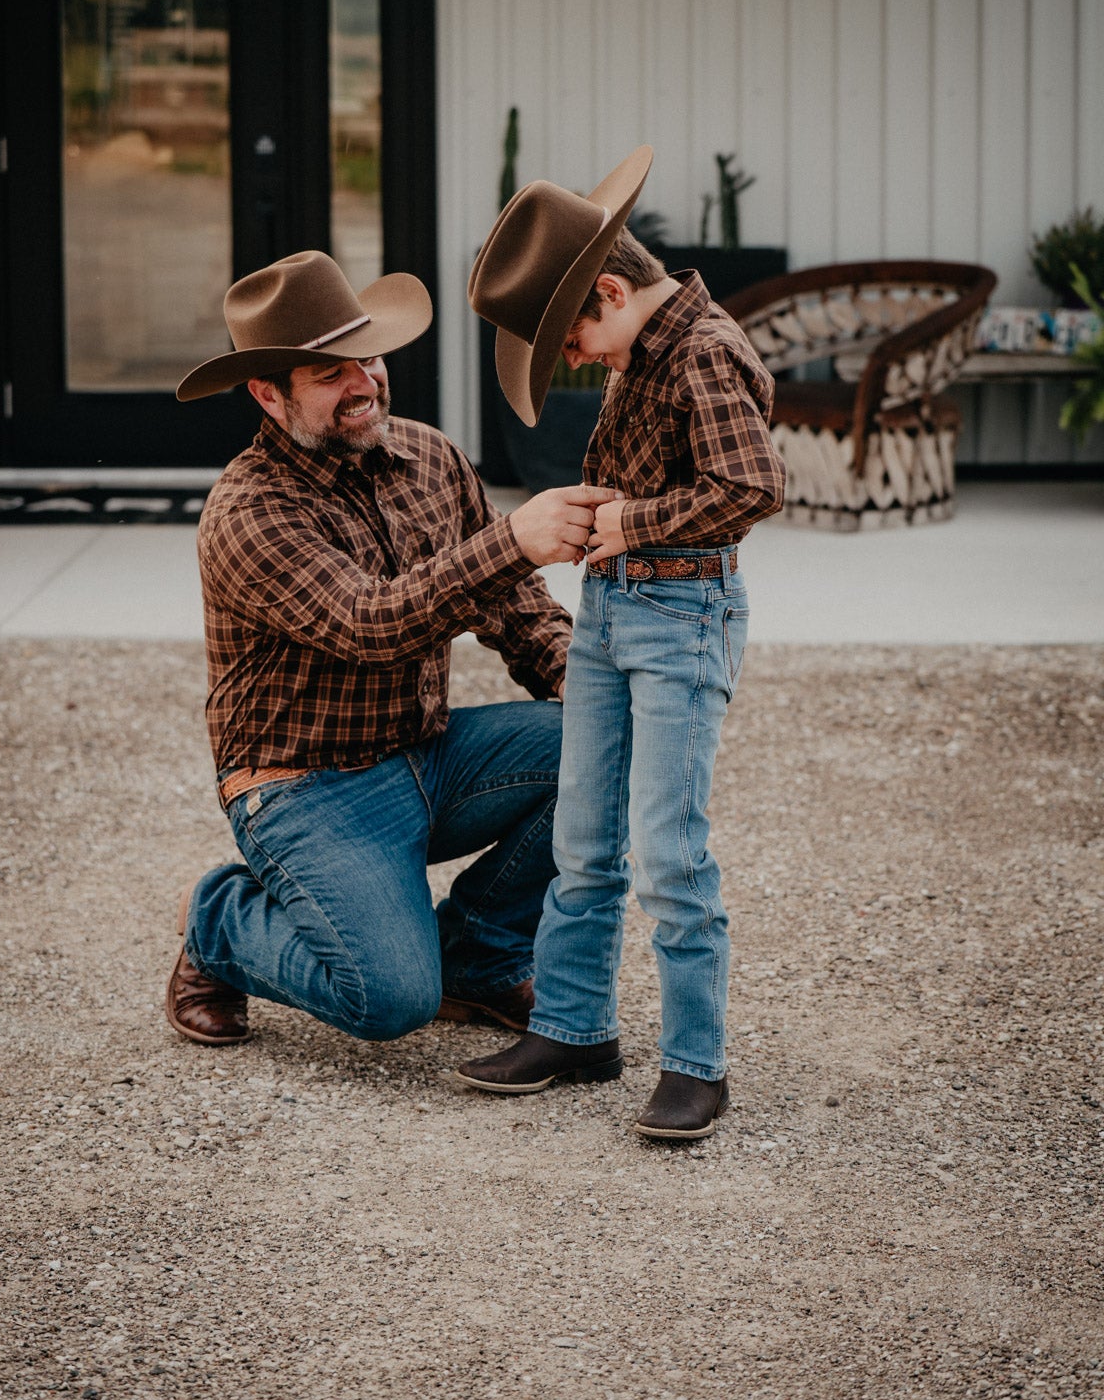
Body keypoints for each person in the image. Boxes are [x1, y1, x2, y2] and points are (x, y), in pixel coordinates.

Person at [166, 249, 611, 1051]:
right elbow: (369, 624)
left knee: (612, 741)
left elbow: (515, 607)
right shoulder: (248, 512)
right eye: (329, 373)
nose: (363, 382)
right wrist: (512, 538)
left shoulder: (430, 457)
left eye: (367, 357)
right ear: (268, 394)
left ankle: (478, 957)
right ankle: (218, 922)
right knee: (391, 1000)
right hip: (305, 789)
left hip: (426, 756)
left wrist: (588, 687)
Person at [459, 146, 785, 1139]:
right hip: (609, 611)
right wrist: (598, 526)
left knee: (670, 855)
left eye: (574, 338)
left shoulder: (704, 348)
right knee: (582, 839)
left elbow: (752, 486)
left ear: (608, 291)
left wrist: (630, 523)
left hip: (681, 617)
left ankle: (696, 1064)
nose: (578, 358)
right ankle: (573, 1028)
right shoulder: (641, 346)